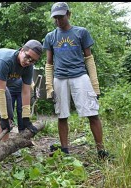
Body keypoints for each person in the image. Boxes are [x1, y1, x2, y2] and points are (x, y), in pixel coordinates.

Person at [43, 2, 109, 159]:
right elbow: (49, 63)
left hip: (79, 76)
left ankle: (101, 151)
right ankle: (65, 151)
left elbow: (89, 59)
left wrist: (95, 85)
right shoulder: (50, 37)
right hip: (60, 78)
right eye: (56, 18)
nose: (58, 20)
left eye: (61, 16)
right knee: (62, 115)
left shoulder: (81, 33)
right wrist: (49, 87)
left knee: (92, 113)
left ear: (68, 14)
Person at [0, 40, 44, 141]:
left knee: (8, 116)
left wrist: (26, 117)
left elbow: (26, 92)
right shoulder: (6, 60)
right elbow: (0, 91)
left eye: (32, 61)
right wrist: (3, 117)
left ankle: (3, 147)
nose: (28, 62)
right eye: (27, 57)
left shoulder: (28, 67)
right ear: (22, 50)